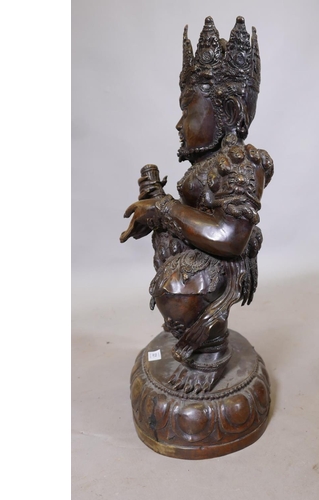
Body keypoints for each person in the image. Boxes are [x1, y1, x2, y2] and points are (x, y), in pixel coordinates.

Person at [120, 16, 273, 394]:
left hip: (221, 266)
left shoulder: (242, 162)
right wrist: (153, 208)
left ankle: (212, 353)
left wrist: (164, 210)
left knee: (178, 283)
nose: (179, 124)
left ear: (230, 113)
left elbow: (230, 237)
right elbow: (188, 216)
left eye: (188, 109)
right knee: (174, 280)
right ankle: (188, 336)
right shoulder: (207, 166)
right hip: (195, 258)